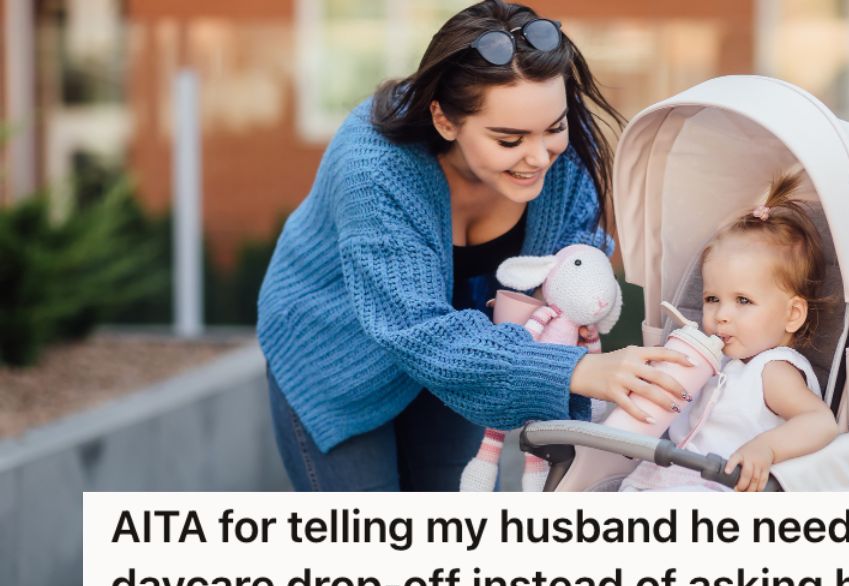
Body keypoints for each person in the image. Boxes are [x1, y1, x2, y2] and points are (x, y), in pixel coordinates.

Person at [258, 0, 690, 492]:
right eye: (509, 140)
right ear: (445, 120)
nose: (538, 156)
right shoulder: (373, 166)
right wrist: (580, 370)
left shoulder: (566, 154)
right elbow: (417, 328)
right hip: (336, 355)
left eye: (554, 127)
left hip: (471, 353)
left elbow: (571, 281)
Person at [621, 172, 838, 492]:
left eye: (743, 301)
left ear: (792, 314)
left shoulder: (773, 370)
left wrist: (767, 448)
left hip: (717, 488)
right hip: (664, 478)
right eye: (712, 299)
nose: (721, 315)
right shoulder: (715, 360)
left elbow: (820, 422)